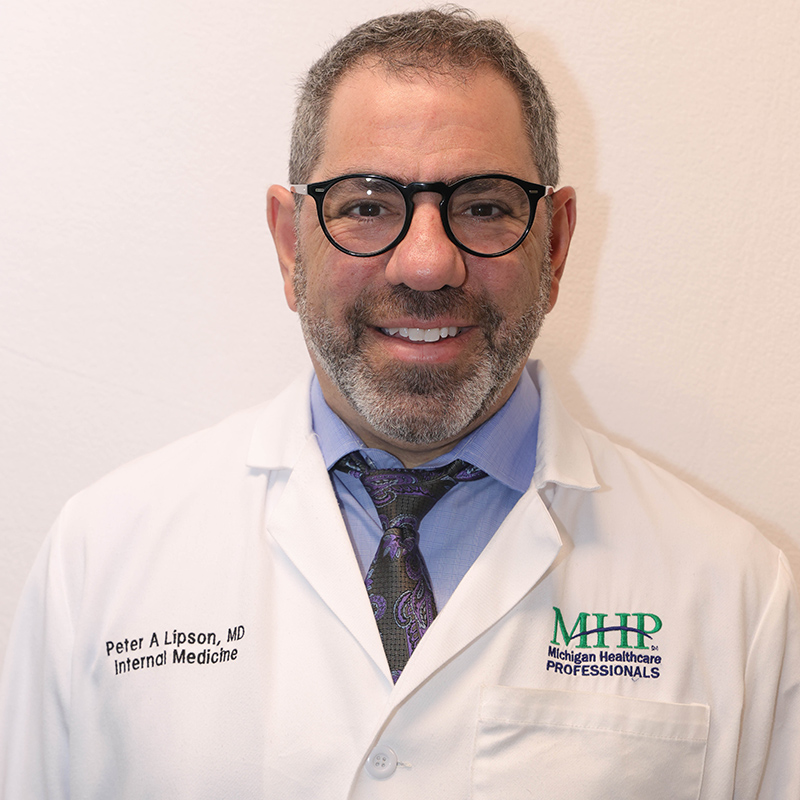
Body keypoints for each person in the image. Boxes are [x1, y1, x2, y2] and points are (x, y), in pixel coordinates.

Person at [1, 7, 798, 798]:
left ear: (554, 245)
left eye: (485, 206)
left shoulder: (736, 596)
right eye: (367, 204)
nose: (425, 263)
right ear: (289, 245)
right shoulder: (102, 558)